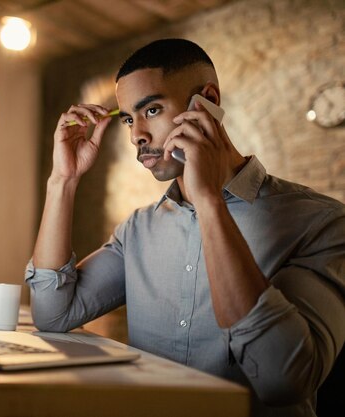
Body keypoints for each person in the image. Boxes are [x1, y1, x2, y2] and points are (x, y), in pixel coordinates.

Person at [25, 38, 345, 416]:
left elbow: (282, 380)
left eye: (152, 110)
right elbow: (52, 314)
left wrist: (208, 199)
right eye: (128, 118)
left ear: (207, 100)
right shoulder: (137, 230)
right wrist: (62, 180)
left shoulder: (322, 223)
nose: (135, 135)